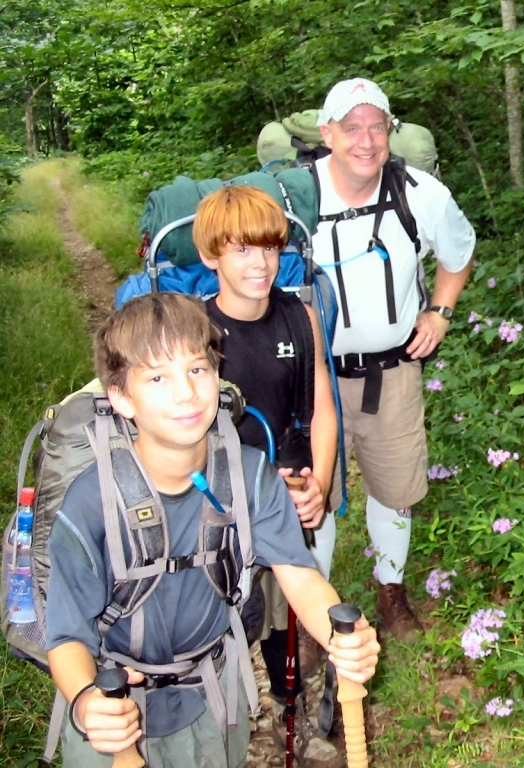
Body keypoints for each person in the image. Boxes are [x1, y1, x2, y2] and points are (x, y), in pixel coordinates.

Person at [44, 293, 379, 768]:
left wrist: (343, 639)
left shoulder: (249, 476)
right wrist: (85, 702)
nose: (186, 393)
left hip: (211, 698)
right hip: (112, 715)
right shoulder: (91, 501)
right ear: (121, 397)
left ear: (217, 374)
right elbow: (66, 635)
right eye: (158, 377)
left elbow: (299, 574)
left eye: (197, 369)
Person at [312, 77, 476, 640]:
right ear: (326, 132)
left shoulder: (420, 194)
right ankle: (315, 611)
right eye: (351, 127)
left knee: (396, 487)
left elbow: (459, 253)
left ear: (390, 131)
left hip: (393, 369)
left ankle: (392, 591)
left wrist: (440, 313)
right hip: (313, 379)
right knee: (315, 494)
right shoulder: (295, 196)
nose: (365, 140)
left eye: (376, 126)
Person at [194, 185, 342, 767]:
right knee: (232, 617)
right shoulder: (196, 330)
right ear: (211, 257)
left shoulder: (299, 316)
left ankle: (292, 716)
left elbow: (322, 407)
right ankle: (225, 724)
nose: (259, 264)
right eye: (240, 250)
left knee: (288, 616)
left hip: (295, 494)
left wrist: (321, 484)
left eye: (269, 250)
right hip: (221, 505)